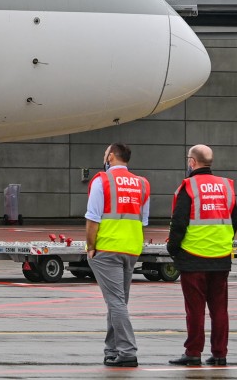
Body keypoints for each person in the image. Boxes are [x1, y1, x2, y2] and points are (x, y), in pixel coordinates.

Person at [167, 144, 237, 367]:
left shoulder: (188, 186)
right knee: (219, 310)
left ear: (192, 162)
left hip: (193, 256)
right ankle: (219, 354)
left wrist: (174, 249)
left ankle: (193, 352)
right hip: (220, 256)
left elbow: (179, 222)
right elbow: (235, 221)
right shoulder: (227, 186)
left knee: (195, 310)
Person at [85, 143, 150, 368]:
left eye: (105, 154)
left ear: (111, 157)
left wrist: (90, 247)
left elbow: (93, 218)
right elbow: (143, 220)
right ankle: (112, 349)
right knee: (118, 302)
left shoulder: (101, 181)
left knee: (115, 302)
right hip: (131, 249)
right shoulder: (142, 183)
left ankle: (127, 351)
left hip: (107, 247)